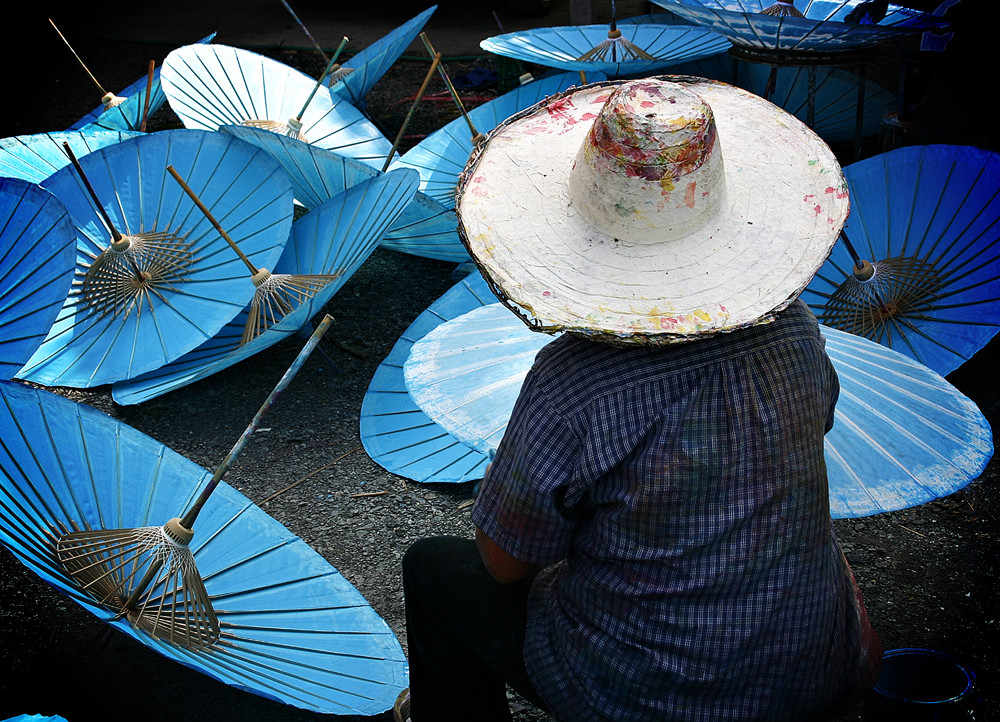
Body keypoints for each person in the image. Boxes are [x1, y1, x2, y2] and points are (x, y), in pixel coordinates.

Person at [396, 76, 882, 722]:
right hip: (812, 667)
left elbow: (505, 563)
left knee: (435, 571)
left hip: (646, 698)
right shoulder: (796, 329)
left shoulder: (572, 382)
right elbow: (812, 424)